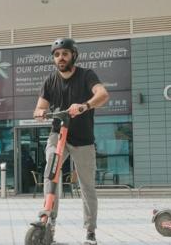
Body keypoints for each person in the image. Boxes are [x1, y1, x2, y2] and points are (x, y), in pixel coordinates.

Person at [33, 38, 109, 244]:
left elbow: (102, 95)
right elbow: (39, 107)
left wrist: (84, 106)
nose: (61, 58)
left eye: (65, 53)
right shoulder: (50, 80)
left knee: (87, 186)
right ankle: (49, 223)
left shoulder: (86, 75)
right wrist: (40, 112)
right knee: (51, 174)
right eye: (56, 55)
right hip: (58, 134)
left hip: (83, 139)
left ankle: (90, 231)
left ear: (73, 55)